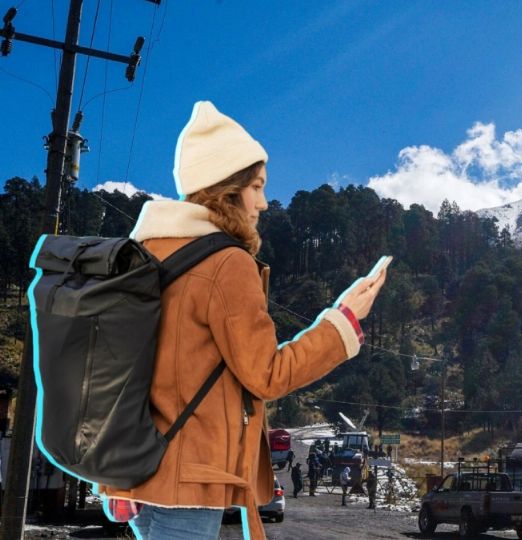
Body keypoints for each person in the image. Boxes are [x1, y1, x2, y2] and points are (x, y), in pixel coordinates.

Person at [99, 101, 390, 540]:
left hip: (133, 466)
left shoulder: (146, 251)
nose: (265, 202)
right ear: (227, 189)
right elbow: (266, 375)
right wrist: (343, 321)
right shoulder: (226, 263)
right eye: (256, 186)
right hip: (188, 478)